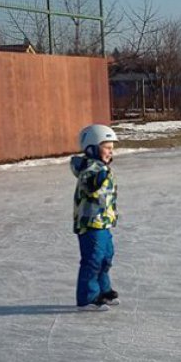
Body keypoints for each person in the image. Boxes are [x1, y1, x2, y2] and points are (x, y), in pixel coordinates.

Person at [71, 124, 120, 311]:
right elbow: (90, 185)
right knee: (93, 259)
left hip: (103, 222)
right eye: (106, 147)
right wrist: (100, 176)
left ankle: (103, 290)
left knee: (106, 257)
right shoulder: (91, 168)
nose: (110, 152)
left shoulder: (100, 167)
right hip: (90, 223)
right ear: (92, 148)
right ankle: (88, 297)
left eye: (111, 148)